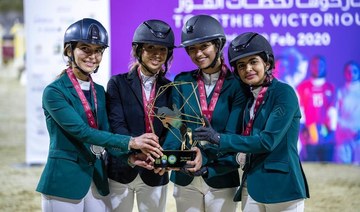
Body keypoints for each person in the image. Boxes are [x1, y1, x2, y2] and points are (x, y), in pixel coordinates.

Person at [36, 18, 162, 212]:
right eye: (85, 49)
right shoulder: (54, 92)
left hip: (97, 180)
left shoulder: (100, 91)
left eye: (98, 51)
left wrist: (129, 158)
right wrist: (132, 142)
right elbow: (82, 132)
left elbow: (107, 135)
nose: (92, 56)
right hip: (64, 180)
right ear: (69, 51)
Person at [194, 32, 310, 212]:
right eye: (241, 65)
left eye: (253, 62)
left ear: (267, 63)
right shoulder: (249, 99)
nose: (247, 69)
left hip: (282, 187)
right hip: (251, 186)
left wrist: (218, 138)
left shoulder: (283, 93)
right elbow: (243, 148)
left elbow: (267, 141)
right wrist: (210, 170)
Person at [163, 14, 247, 212]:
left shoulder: (237, 85)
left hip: (221, 175)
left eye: (204, 46)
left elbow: (232, 134)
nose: (198, 53)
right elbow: (175, 126)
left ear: (218, 45)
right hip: (185, 177)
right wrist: (172, 159)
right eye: (192, 49)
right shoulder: (182, 81)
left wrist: (205, 158)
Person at [105, 19, 176, 212]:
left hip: (155, 169)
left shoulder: (170, 89)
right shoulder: (117, 84)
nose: (157, 54)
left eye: (162, 50)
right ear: (138, 50)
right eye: (150, 47)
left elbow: (173, 128)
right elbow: (116, 125)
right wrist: (134, 150)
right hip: (121, 169)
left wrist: (163, 158)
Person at [296, 55, 337, 162]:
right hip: (309, 132)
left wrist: (331, 131)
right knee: (310, 168)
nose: (318, 68)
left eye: (321, 65)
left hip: (326, 133)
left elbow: (332, 111)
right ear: (311, 67)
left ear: (325, 67)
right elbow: (300, 110)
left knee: (327, 167)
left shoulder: (330, 87)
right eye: (315, 65)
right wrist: (303, 128)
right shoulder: (303, 87)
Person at [335, 61, 360, 164]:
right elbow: (335, 115)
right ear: (344, 73)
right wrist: (348, 130)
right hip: (343, 137)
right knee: (343, 170)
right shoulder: (339, 92)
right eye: (348, 71)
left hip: (359, 137)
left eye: (354, 71)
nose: (351, 74)